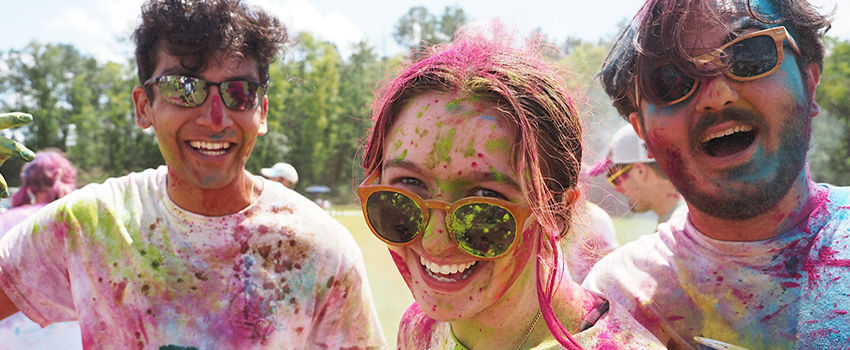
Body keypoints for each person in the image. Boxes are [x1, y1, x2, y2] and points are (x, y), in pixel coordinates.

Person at [0, 0, 385, 349]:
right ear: (143, 107)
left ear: (262, 112)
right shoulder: (91, 225)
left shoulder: (320, 249)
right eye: (183, 88)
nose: (215, 118)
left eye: (239, 91)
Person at [358, 24, 665, 349]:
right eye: (407, 187)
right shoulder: (419, 329)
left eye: (484, 200)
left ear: (556, 213)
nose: (435, 241)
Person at [582, 0, 842, 348]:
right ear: (642, 131)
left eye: (750, 56)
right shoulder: (615, 303)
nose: (717, 96)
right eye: (670, 80)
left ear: (809, 82)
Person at [0, 150, 82, 350]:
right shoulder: (79, 221)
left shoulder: (4, 220)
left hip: (11, 339)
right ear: (67, 180)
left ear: (28, 184)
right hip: (70, 339)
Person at [586, 125, 685, 224]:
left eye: (614, 178)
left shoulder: (679, 229)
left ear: (640, 171)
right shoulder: (684, 221)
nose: (617, 189)